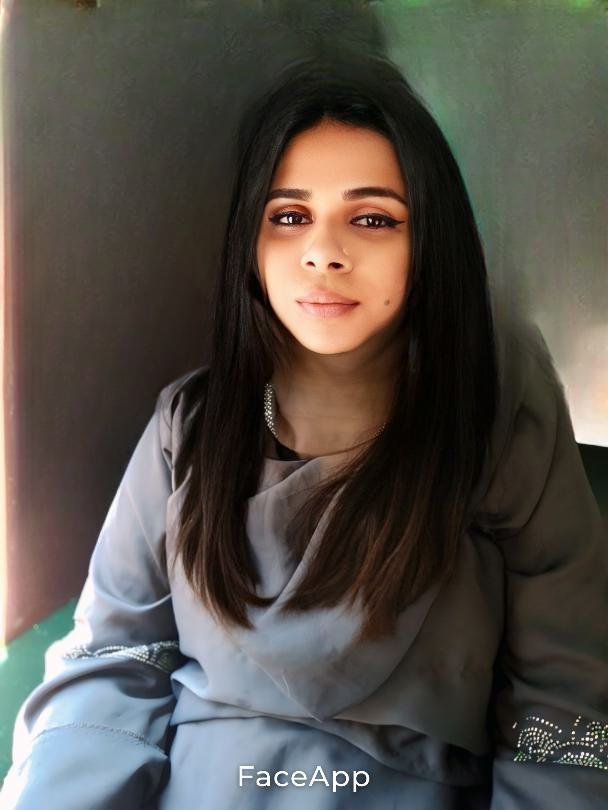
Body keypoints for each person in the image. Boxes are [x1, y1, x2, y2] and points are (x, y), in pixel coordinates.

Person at [1, 51, 607, 809]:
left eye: (372, 219)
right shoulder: (191, 428)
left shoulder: (501, 426)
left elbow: (565, 706)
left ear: (431, 242)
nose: (323, 253)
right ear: (250, 244)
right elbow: (113, 659)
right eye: (289, 217)